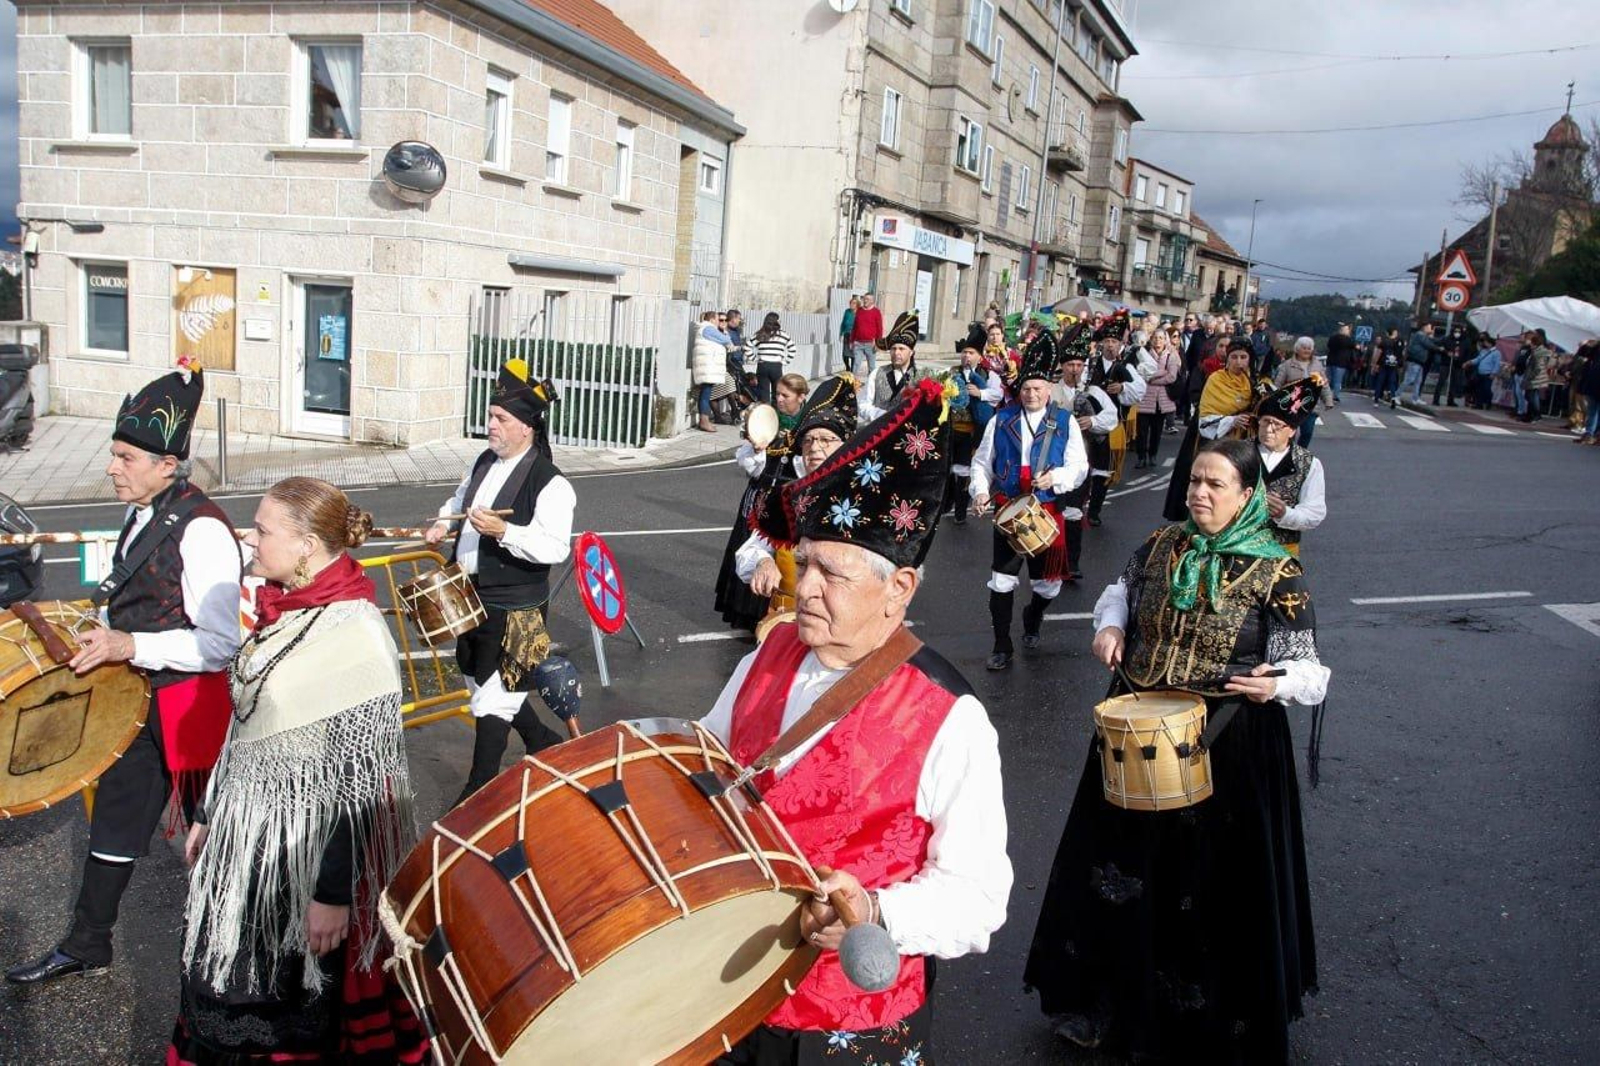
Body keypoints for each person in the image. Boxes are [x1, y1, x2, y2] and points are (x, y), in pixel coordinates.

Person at [708, 379, 1011, 1064]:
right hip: (729, 992)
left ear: (898, 589)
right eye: (803, 562)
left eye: (832, 574)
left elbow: (979, 897)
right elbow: (709, 752)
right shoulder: (775, 648)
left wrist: (875, 912)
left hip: (849, 1022)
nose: (805, 585)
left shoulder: (950, 717)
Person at [1025, 438, 1328, 1064]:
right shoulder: (1161, 545)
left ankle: (1202, 1013)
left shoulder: (1279, 570)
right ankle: (1105, 999)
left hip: (1227, 740)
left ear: (1247, 497)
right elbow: (1117, 591)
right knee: (1120, 869)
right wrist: (1109, 626)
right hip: (1134, 727)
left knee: (1206, 877)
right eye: (1195, 481)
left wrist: (1276, 684)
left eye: (1216, 484)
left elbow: (1311, 671)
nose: (1199, 493)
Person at [172, 478, 426, 1064]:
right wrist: (211, 813)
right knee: (220, 991)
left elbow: (362, 785)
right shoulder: (286, 610)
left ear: (308, 544)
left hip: (305, 858)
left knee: (286, 1011)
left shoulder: (358, 633)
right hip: (247, 839)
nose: (250, 540)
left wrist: (332, 896)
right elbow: (248, 724)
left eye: (262, 530)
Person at [7, 364, 241, 987]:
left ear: (168, 464)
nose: (112, 467)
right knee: (114, 818)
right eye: (114, 453)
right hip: (137, 698)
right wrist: (104, 633)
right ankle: (88, 942)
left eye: (126, 456)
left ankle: (238, 956)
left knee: (212, 838)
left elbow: (220, 644)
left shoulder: (205, 529)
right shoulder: (143, 510)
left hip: (192, 708)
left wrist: (127, 641)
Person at [425, 361, 580, 807]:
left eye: (500, 419)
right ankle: (540, 738)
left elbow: (555, 548)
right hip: (469, 596)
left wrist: (504, 532)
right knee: (480, 680)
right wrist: (441, 523)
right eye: (491, 415)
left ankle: (478, 792)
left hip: (517, 608)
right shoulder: (483, 461)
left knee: (494, 699)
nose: (490, 425)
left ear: (527, 427)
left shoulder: (550, 483)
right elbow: (459, 500)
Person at [970, 329, 1089, 671]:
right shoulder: (1001, 419)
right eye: (1026, 389)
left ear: (1048, 390)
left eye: (1037, 388)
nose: (1032, 394)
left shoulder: (1064, 422)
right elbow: (982, 463)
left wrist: (1057, 478)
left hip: (1046, 509)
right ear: (1018, 390)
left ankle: (1033, 615)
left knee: (1047, 586)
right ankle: (1002, 645)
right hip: (1009, 509)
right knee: (1002, 580)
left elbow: (1079, 465)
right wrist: (980, 491)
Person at [737, 373, 860, 632]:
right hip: (787, 621)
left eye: (825, 440)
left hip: (843, 627)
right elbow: (747, 552)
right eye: (808, 440)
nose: (815, 447)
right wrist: (763, 562)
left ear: (845, 447)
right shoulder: (785, 498)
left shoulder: (863, 500)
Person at [715, 372, 808, 630]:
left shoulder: (809, 429)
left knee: (784, 557)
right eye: (777, 393)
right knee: (752, 548)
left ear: (801, 398)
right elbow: (752, 468)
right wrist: (756, 450)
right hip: (761, 496)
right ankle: (746, 614)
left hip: (790, 500)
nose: (779, 399)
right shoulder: (766, 422)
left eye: (785, 396)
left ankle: (778, 610)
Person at [1162, 337, 1259, 523]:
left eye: (1243, 357)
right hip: (1215, 441)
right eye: (1234, 357)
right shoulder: (1216, 379)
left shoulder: (1255, 382)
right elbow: (1205, 418)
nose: (1238, 362)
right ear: (1227, 359)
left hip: (1244, 444)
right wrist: (1231, 420)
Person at [1051, 328, 1119, 583]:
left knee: (1074, 511)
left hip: (1080, 460)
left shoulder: (1093, 391)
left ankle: (1071, 564)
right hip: (1052, 460)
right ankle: (1051, 562)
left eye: (1079, 364)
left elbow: (1112, 417)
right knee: (1052, 512)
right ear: (1063, 365)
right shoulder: (1050, 390)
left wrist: (1092, 420)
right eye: (1070, 364)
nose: (1075, 370)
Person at [941, 324, 1005, 526]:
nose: (966, 357)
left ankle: (960, 510)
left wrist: (981, 394)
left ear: (979, 356)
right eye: (964, 353)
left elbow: (999, 395)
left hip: (973, 434)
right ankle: (945, 504)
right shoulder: (952, 372)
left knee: (965, 472)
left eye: (971, 353)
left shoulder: (989, 375)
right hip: (952, 430)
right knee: (947, 470)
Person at [1255, 379, 1328, 554]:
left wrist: (1284, 514)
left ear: (1292, 431)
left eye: (1277, 425)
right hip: (1235, 548)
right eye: (1265, 422)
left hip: (1281, 552)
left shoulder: (1308, 463)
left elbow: (1314, 512)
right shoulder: (1237, 454)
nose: (1269, 429)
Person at [1086, 314, 1146, 525]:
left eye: (1114, 342)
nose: (1110, 346)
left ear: (1121, 344)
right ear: (1102, 343)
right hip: (1086, 422)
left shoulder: (1124, 368)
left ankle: (1094, 511)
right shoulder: (1091, 364)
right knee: (1083, 465)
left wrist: (1122, 388)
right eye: (1107, 341)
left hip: (1110, 427)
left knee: (1102, 470)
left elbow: (1139, 391)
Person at [860, 310, 930, 419]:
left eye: (901, 349)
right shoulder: (877, 373)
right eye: (893, 349)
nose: (896, 352)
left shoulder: (921, 377)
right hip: (878, 431)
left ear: (911, 352)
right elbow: (863, 405)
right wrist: (881, 415)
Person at [1272, 336, 1334, 448]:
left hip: (1310, 405)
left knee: (1307, 432)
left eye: (1309, 348)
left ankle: (1301, 452)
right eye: (1304, 348)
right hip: (1291, 405)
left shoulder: (1317, 365)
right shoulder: (1287, 365)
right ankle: (1289, 452)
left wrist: (1328, 400)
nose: (1307, 350)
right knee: (1290, 433)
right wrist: (1275, 400)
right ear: (1297, 349)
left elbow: (1323, 385)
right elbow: (1278, 384)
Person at [1135, 326, 1180, 468]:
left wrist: (1152, 379)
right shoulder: (1144, 354)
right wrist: (1161, 373)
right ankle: (1141, 457)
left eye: (1161, 338)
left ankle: (1153, 455)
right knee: (1141, 431)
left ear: (1165, 341)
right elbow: (1141, 374)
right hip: (1144, 398)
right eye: (1155, 338)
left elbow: (1172, 376)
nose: (1157, 341)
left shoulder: (1171, 356)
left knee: (1156, 430)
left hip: (1161, 400)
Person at [693, 310, 734, 433]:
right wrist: (726, 332)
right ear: (711, 320)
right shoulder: (708, 329)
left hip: (708, 367)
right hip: (707, 367)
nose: (719, 323)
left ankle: (705, 420)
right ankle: (704, 421)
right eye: (717, 319)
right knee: (706, 393)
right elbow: (726, 340)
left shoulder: (706, 329)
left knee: (707, 393)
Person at [750, 312, 798, 406]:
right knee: (778, 391)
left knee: (764, 393)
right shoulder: (783, 335)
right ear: (776, 322)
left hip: (762, 366)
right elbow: (792, 348)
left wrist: (755, 359)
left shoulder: (760, 334)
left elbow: (747, 347)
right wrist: (785, 361)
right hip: (776, 366)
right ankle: (776, 413)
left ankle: (766, 414)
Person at [1402, 321, 1443, 405]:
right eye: (1429, 327)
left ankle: (1415, 398)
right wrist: (1439, 348)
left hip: (1420, 361)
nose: (1430, 329)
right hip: (1416, 360)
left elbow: (1432, 340)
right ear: (1425, 327)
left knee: (1418, 381)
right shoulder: (1420, 335)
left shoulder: (1424, 336)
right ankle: (1397, 394)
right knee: (1410, 379)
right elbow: (1428, 344)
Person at [848, 292, 884, 378]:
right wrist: (851, 341)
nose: (865, 300)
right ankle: (851, 384)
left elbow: (880, 329)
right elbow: (854, 327)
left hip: (870, 344)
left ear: (872, 301)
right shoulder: (859, 310)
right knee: (856, 364)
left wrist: (878, 344)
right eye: (864, 298)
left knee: (871, 367)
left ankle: (870, 385)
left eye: (867, 299)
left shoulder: (876, 312)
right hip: (858, 343)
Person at [1432, 323, 1468, 406]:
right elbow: (1438, 347)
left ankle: (1450, 400)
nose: (1457, 333)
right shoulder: (1447, 339)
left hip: (1458, 364)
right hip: (1446, 363)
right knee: (1441, 381)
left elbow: (1466, 352)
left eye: (1459, 331)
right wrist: (1445, 352)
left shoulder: (1465, 341)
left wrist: (1464, 361)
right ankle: (1436, 399)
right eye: (1456, 331)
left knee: (1454, 383)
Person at [1522, 329, 1553, 423]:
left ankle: (1536, 414)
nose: (1530, 344)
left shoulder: (1539, 352)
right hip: (1536, 377)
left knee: (1531, 397)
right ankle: (1530, 415)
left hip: (1536, 378)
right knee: (1530, 396)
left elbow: (1539, 367)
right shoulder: (1536, 351)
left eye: (1531, 343)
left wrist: (1531, 376)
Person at [1576, 338, 1600, 445]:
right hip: (1594, 382)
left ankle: (1594, 434)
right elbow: (1583, 353)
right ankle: (1590, 434)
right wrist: (1586, 344)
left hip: (1594, 382)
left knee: (1594, 410)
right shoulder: (1597, 347)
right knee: (1592, 410)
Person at [1468, 332, 1501, 410]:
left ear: (1490, 344)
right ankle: (1478, 404)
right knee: (1479, 389)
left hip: (1488, 374)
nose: (1484, 343)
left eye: (1486, 342)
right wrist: (1470, 362)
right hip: (1480, 373)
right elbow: (1478, 359)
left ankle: (1488, 403)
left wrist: (1493, 373)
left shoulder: (1496, 353)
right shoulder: (1483, 351)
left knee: (1487, 389)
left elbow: (1497, 364)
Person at [1372, 327, 1404, 407]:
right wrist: (1400, 365)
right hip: (1393, 365)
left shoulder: (1384, 342)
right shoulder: (1398, 343)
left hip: (1383, 364)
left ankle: (1376, 399)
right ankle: (1393, 397)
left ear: (1388, 333)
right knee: (1392, 382)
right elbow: (1401, 354)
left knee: (1380, 381)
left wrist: (1374, 364)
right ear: (1394, 332)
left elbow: (1378, 353)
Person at [1324, 323, 1355, 403]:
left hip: (1330, 361)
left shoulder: (1332, 338)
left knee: (1328, 379)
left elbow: (1328, 346)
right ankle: (1335, 397)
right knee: (1337, 381)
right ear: (1345, 331)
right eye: (1348, 330)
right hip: (1341, 363)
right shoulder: (1347, 339)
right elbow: (1354, 346)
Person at [838, 295, 858, 371]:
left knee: (853, 355)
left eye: (853, 303)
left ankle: (852, 371)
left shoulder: (859, 313)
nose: (851, 305)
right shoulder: (847, 311)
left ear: (857, 304)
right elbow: (843, 323)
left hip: (855, 336)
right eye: (851, 303)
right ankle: (847, 367)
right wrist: (841, 334)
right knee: (844, 355)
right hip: (846, 334)